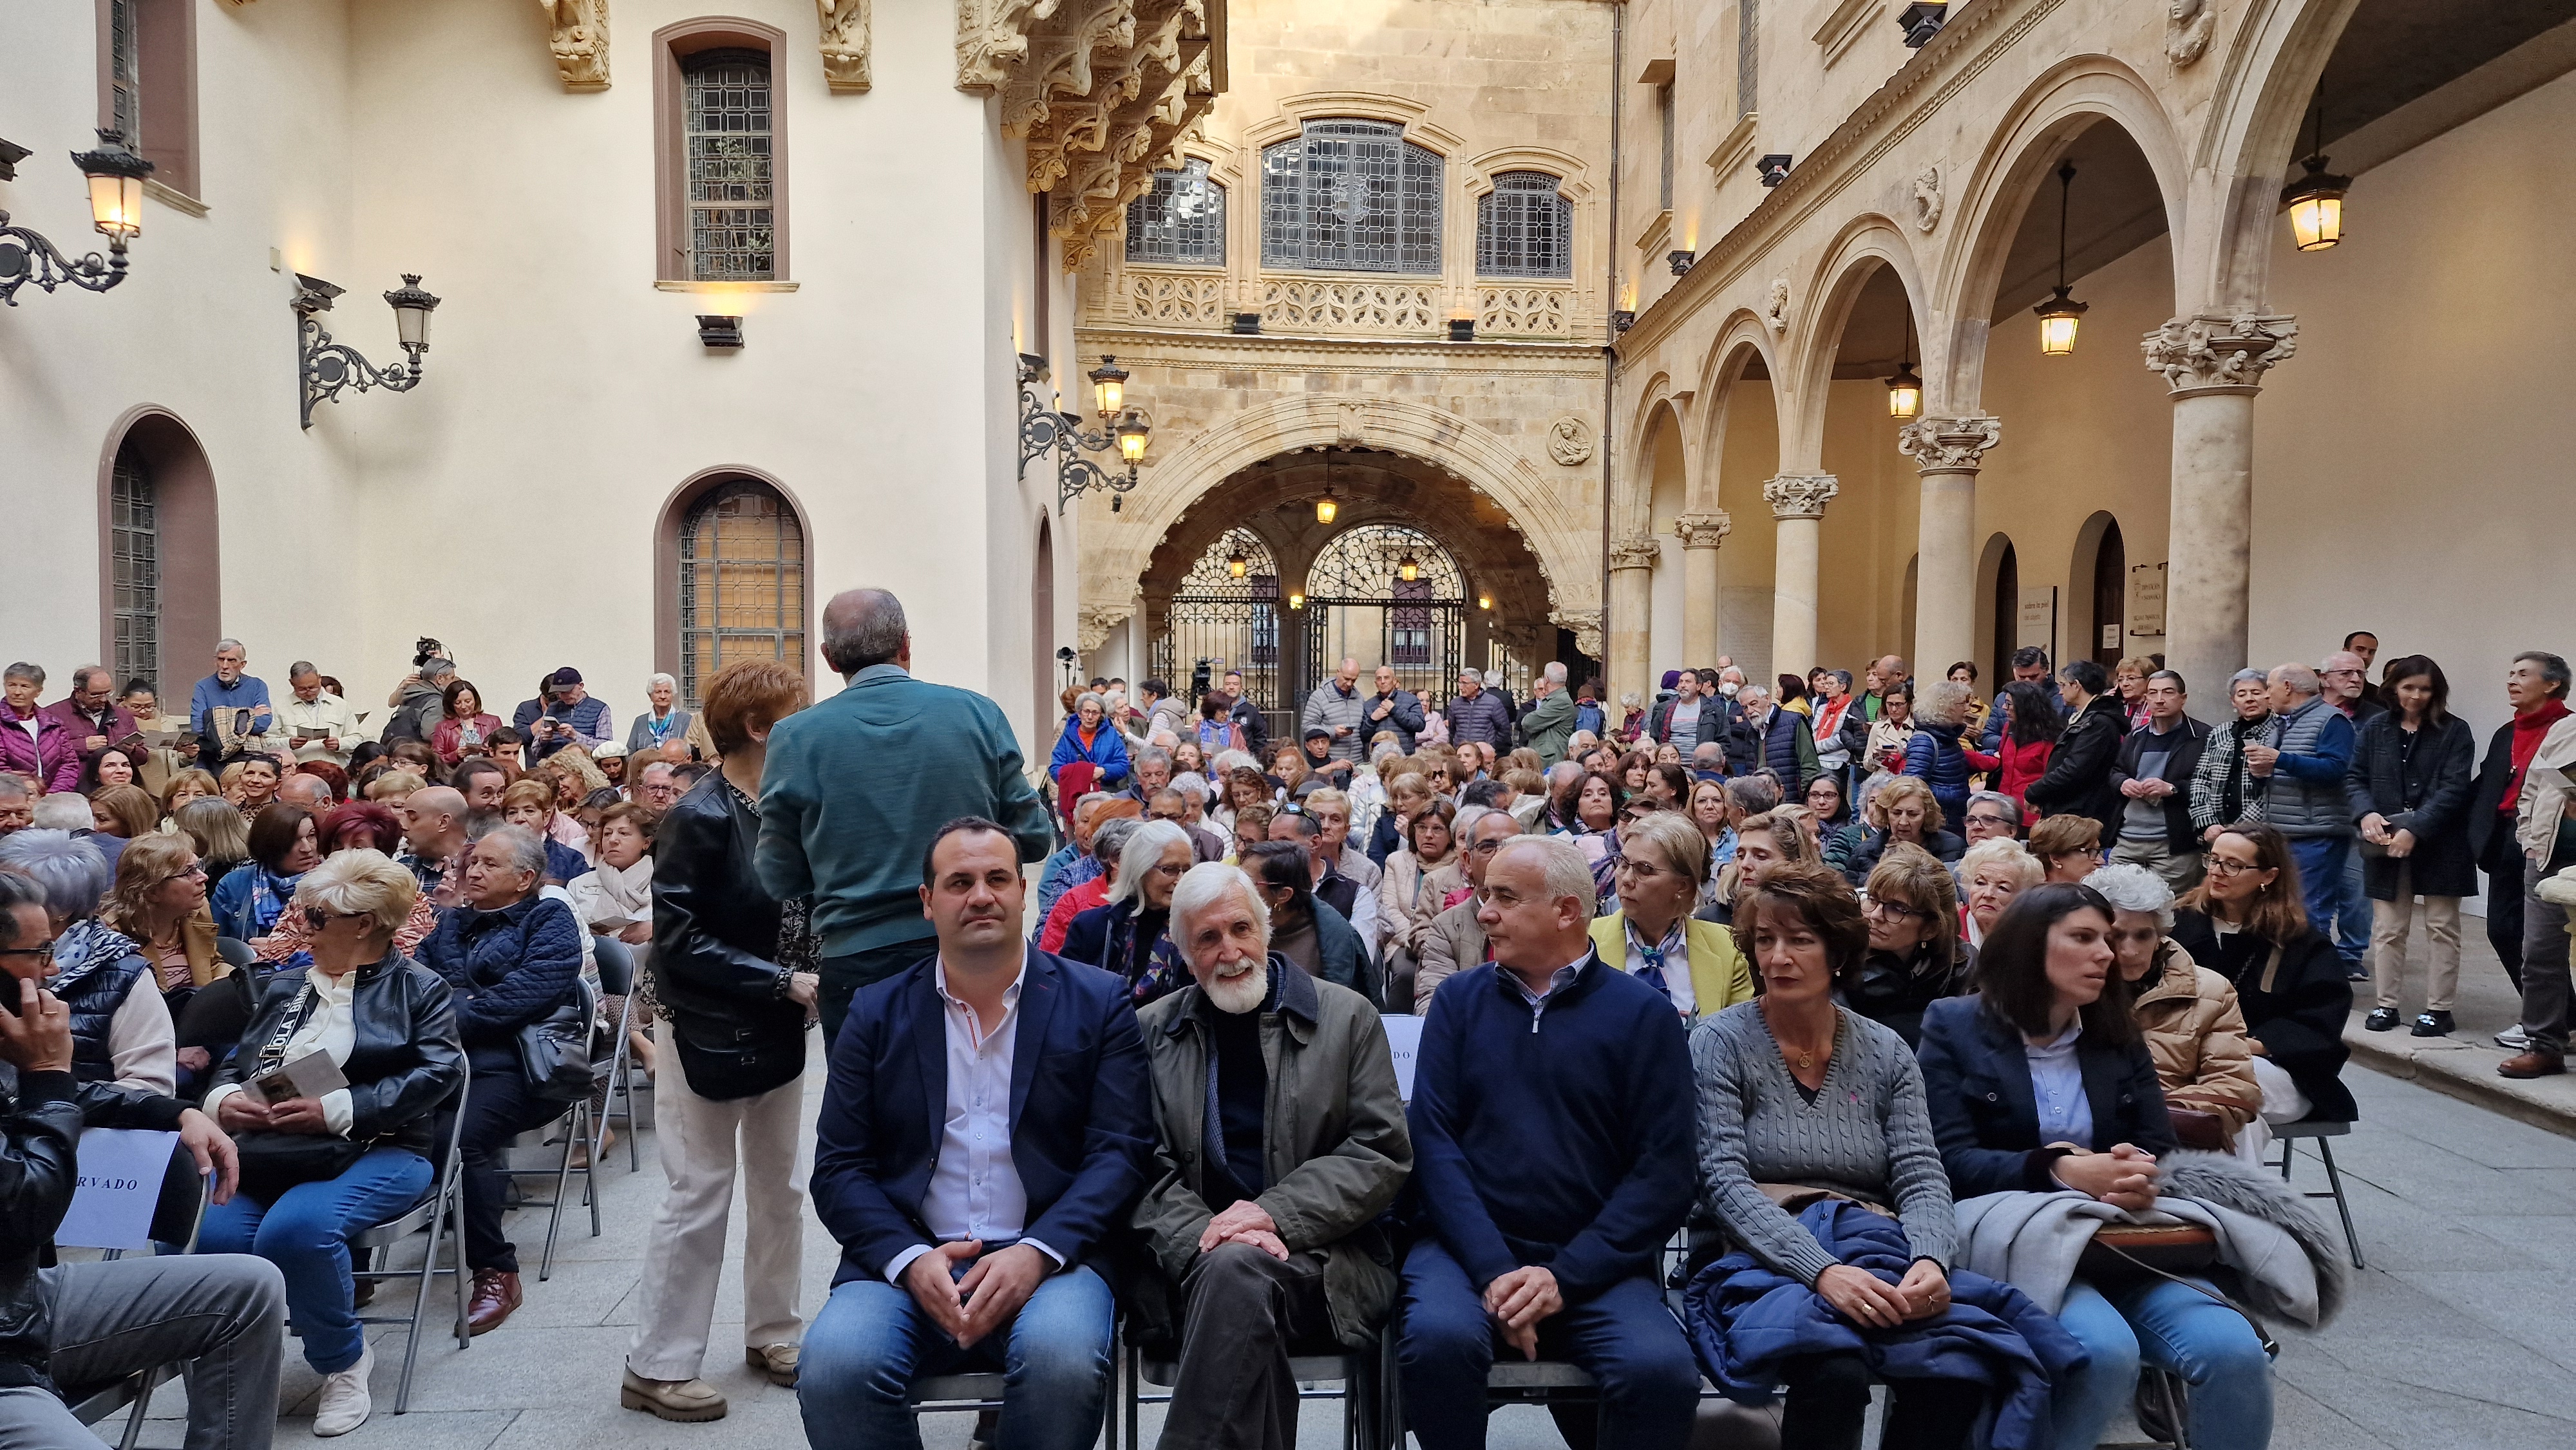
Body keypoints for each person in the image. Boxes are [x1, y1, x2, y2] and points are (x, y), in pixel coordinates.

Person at [798, 817, 1153, 1450]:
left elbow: (1119, 1154)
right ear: (927, 901)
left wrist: (1036, 1250)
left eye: (996, 878)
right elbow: (839, 1167)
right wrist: (909, 1260)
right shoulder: (877, 1010)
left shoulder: (1098, 1002)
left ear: (1023, 891)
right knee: (834, 1367)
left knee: (1063, 1362)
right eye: (959, 881)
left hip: (1053, 1259)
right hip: (906, 1261)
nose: (980, 895)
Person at [1916, 883, 2273, 1450]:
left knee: (2234, 1351)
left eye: (2108, 940)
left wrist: (2134, 1170)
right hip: (2014, 1239)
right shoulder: (1954, 1024)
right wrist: (2059, 1170)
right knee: (2102, 1353)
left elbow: (2160, 1147)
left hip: (2121, 1240)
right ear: (2031, 947)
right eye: (2084, 938)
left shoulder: (2115, 1031)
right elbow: (1944, 1162)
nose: (2108, 954)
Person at [1397, 834, 1700, 1450]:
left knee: (1660, 1371)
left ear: (1566, 911)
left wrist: (1563, 1278)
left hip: (1595, 1261)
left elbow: (1664, 1173)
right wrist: (1496, 1272)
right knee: (1438, 1342)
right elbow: (1434, 1144)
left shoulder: (1644, 1016)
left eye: (1505, 898)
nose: (1483, 911)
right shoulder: (1458, 1001)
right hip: (1465, 1253)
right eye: (1485, 895)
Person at [1690, 860, 1989, 1450]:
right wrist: (1822, 1271)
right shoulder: (1718, 1042)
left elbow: (1921, 1174)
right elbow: (1722, 1183)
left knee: (1956, 1365)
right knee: (1834, 1368)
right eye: (1766, 940)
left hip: (1870, 1243)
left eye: (1800, 941)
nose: (1778, 958)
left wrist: (1929, 1258)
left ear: (1839, 953)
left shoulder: (1886, 1049)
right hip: (1755, 1252)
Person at [0, 871, 290, 1450]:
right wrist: (47, 1080)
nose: (52, 970)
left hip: (19, 1301)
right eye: (39, 954)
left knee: (248, 1286)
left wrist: (173, 1113)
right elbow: (25, 1215)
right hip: (10, 1348)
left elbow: (67, 1097)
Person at [1131, 862, 1411, 1450]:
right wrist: (1209, 1235)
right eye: (1207, 939)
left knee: (1236, 1275)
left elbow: (1379, 1151)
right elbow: (1135, 1163)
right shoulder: (1150, 1032)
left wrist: (1273, 1215)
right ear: (1184, 955)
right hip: (1186, 1267)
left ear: (1267, 930)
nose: (1230, 951)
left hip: (1329, 1264)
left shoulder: (1346, 1018)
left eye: (1240, 929)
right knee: (1236, 1277)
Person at [199, 849, 466, 1436]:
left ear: (363, 922)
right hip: (271, 1145)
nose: (299, 928)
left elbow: (439, 1074)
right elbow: (233, 1065)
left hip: (386, 1146)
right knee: (215, 1238)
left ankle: (342, 1362)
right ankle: (240, 1367)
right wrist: (226, 1102)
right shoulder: (286, 985)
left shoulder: (420, 989)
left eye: (315, 918)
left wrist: (339, 1110)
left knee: (296, 1231)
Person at [622, 658, 819, 1421]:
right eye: (795, 713)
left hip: (778, 1017)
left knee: (781, 1184)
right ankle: (656, 1363)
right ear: (762, 728)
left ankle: (774, 1330)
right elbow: (678, 936)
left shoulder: (790, 800)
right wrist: (780, 979)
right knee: (699, 1189)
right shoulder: (699, 813)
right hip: (701, 1022)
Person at [757, 588, 1053, 1040]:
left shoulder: (795, 737)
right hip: (975, 951)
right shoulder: (977, 714)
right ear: (906, 645)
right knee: (984, 1100)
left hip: (858, 962)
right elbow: (1033, 837)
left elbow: (778, 876)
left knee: (871, 1106)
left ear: (829, 658)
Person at [416, 825, 587, 1335]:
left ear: (525, 878)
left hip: (522, 1066)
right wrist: (459, 1010)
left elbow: (527, 995)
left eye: (490, 864)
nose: (473, 870)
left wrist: (456, 1010)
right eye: (473, 862)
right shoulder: (448, 923)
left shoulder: (548, 917)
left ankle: (496, 1270)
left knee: (461, 1140)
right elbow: (418, 986)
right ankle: (351, 1269)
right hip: (448, 1059)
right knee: (367, 1120)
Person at [2168, 825, 2358, 1124]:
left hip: (2271, 1066)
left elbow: (2320, 1021)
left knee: (2225, 1096)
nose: (2217, 872)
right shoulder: (2178, 925)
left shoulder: (2299, 941)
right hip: (2181, 1058)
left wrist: (2246, 1046)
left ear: (2268, 876)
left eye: (2233, 865)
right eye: (2214, 860)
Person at [2086, 862, 2264, 1156]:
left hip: (2177, 1140)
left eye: (2143, 935)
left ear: (2160, 936)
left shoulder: (2212, 991)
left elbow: (2234, 1088)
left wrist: (2153, 1116)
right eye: (2116, 935)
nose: (2130, 950)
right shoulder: (2068, 987)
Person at [2348, 655, 2476, 1037]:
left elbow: (2455, 788)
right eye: (2409, 687)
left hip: (2442, 842)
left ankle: (2439, 1009)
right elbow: (2355, 777)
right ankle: (2386, 1004)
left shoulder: (2455, 730)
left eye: (2424, 689)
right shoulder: (2375, 727)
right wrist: (2366, 814)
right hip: (2384, 838)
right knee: (2388, 928)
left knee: (2441, 926)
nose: (2416, 695)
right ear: (2394, 688)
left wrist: (2416, 828)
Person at [0, 831, 176, 1093]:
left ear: (63, 910)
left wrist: (50, 1087)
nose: (7, 895)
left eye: (20, 891)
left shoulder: (121, 972)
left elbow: (151, 1087)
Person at [2465, 652, 2571, 1056]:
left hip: (2549, 841)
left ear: (2552, 684)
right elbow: (2488, 785)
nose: (2512, 680)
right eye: (2510, 673)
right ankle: (2558, 1018)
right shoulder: (2507, 732)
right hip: (2506, 839)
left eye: (2523, 674)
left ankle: (2550, 1023)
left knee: (2543, 940)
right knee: (2504, 930)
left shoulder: (2568, 729)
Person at [2242, 664, 2360, 970]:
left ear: (2288, 687)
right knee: (2286, 909)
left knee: (2312, 912)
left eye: (2269, 686)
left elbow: (2338, 770)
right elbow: (2283, 772)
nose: (2266, 693)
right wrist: (2261, 773)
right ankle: (2290, 973)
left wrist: (2281, 759)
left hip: (2317, 833)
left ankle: (2316, 978)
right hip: (2284, 830)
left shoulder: (2332, 721)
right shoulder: (2283, 724)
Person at [1585, 809, 1754, 1022]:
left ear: (1683, 886)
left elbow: (1735, 1038)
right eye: (1623, 863)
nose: (1626, 878)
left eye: (1644, 870)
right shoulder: (1584, 942)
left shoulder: (1727, 949)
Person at [1059, 820, 1195, 1004]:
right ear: (1140, 868)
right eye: (1169, 870)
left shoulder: (1194, 931)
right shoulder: (1094, 928)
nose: (1181, 879)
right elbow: (1066, 996)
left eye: (1186, 870)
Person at [1851, 844, 1969, 1047]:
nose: (1876, 916)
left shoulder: (1961, 971)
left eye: (1897, 909)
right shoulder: (1838, 965)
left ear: (1930, 929)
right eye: (1872, 899)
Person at [2106, 670, 2210, 892]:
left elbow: (2213, 787)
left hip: (2173, 843)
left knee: (2169, 911)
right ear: (2146, 699)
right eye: (2153, 693)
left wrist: (2172, 789)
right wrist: (2123, 782)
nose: (2159, 699)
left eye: (2168, 692)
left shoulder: (2202, 737)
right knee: (2116, 901)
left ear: (2183, 698)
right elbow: (2115, 771)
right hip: (2128, 838)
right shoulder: (2137, 735)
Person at [1413, 809, 1522, 1011]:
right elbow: (1433, 1001)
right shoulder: (1446, 927)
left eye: (1511, 845)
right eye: (1488, 847)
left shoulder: (1548, 918)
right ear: (1468, 860)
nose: (1499, 855)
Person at [1242, 840, 1374, 997]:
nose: (1237, 886)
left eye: (1248, 882)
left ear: (1283, 895)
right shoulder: (1231, 921)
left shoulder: (1331, 938)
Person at [2023, 660, 2125, 839]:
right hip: (2069, 807)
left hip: (2081, 813)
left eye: (2064, 685)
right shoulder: (2083, 718)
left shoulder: (2099, 724)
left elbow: (2074, 769)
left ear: (2076, 686)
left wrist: (2034, 792)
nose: (2060, 691)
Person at [209, 804, 323, 942]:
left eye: (311, 836)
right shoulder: (234, 884)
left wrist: (277, 949)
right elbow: (215, 946)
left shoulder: (333, 883)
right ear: (270, 845)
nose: (307, 848)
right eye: (294, 840)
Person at [2188, 668, 2274, 841]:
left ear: (2268, 696)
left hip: (2259, 829)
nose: (2249, 699)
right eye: (2241, 694)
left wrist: (2240, 829)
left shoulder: (2278, 732)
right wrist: (2207, 823)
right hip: (2216, 828)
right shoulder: (2220, 732)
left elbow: (2270, 787)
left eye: (2256, 692)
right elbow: (2201, 779)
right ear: (2233, 701)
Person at [1379, 795, 1461, 964]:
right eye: (1422, 828)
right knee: (1405, 973)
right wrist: (1417, 940)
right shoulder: (1396, 861)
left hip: (1450, 947)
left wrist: (1438, 947)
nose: (1428, 835)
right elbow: (1390, 911)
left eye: (1437, 829)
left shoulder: (1460, 866)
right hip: (1404, 943)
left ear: (1451, 834)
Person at [1841, 775, 1964, 885]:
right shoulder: (1864, 852)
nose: (1903, 822)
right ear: (1886, 813)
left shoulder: (1954, 848)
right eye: (1896, 813)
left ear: (1927, 815)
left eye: (1913, 814)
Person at [1964, 679, 2061, 811]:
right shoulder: (2009, 728)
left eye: (2009, 704)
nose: (2004, 708)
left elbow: (2051, 779)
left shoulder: (2049, 739)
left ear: (2025, 707)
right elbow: (2001, 763)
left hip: (2031, 811)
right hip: (2004, 808)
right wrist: (1960, 754)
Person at [38, 664, 136, 787]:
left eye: (107, 693)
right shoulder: (52, 715)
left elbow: (143, 756)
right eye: (96, 695)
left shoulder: (123, 715)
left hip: (117, 788)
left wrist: (133, 750)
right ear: (78, 691)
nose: (103, 699)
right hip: (73, 786)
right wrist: (82, 746)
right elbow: (41, 752)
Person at [189, 641, 284, 767]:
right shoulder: (203, 686)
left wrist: (219, 720)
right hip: (211, 760)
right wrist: (250, 714)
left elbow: (263, 723)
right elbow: (199, 727)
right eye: (221, 660)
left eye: (232, 660)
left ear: (242, 664)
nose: (225, 666)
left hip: (247, 760)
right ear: (215, 661)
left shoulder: (257, 686)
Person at [1897, 680, 1974, 826]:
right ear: (1945, 707)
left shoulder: (1949, 737)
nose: (1967, 708)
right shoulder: (1925, 741)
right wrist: (1950, 797)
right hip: (1938, 821)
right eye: (1962, 704)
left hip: (1953, 818)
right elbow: (1911, 786)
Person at [0, 664, 79, 795]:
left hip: (51, 799)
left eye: (25, 686)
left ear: (38, 691)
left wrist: (53, 794)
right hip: (11, 798)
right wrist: (29, 794)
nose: (17, 692)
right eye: (12, 685)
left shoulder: (53, 724)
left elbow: (69, 764)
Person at [1956, 837, 2041, 950]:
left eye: (2003, 888)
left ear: (2022, 898)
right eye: (1980, 883)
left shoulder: (2033, 940)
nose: (1988, 894)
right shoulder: (1947, 931)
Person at [1734, 683, 1821, 793]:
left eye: (1754, 704)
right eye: (1745, 708)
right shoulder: (1752, 732)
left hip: (1791, 800)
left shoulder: (1793, 722)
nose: (1750, 711)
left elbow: (1810, 766)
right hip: (1762, 801)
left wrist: (1805, 799)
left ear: (1767, 699)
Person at [499, 779, 589, 883]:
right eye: (512, 813)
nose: (520, 818)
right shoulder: (491, 856)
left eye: (529, 811)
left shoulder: (571, 860)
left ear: (546, 816)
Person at [515, 667, 614, 760]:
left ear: (581, 686)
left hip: (585, 766)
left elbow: (606, 748)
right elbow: (535, 752)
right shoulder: (552, 709)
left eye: (568, 691)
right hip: (552, 765)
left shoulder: (600, 708)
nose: (563, 696)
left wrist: (576, 737)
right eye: (559, 692)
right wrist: (543, 740)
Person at [274, 663, 360, 767]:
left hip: (335, 769)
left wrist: (339, 744)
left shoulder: (341, 705)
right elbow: (267, 742)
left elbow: (357, 739)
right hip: (297, 769)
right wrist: (288, 743)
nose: (308, 692)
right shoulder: (279, 706)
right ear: (292, 683)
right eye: (302, 689)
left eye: (313, 687)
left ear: (319, 679)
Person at [1301, 658, 1369, 765]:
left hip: (1356, 763)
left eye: (1354, 680)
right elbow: (1307, 727)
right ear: (1338, 672)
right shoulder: (1320, 697)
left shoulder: (1359, 698)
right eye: (1346, 678)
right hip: (1330, 763)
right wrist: (1333, 732)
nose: (1349, 683)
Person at [430, 679, 502, 768]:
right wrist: (455, 755)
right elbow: (435, 758)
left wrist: (482, 749)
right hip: (457, 775)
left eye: (468, 701)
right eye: (458, 703)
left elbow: (503, 749)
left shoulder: (493, 722)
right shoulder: (443, 727)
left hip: (489, 771)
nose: (463, 707)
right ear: (451, 704)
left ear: (475, 700)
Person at [1359, 664, 1427, 756]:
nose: (1383, 682)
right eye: (1379, 679)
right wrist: (1372, 720)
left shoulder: (1410, 699)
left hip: (1405, 755)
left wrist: (1395, 710)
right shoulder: (1369, 705)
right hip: (1379, 757)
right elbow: (1364, 736)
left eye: (1386, 678)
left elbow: (1420, 725)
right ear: (1376, 683)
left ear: (1394, 681)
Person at [1520, 662, 1578, 768]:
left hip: (1551, 760)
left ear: (1546, 679)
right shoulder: (1555, 698)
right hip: (1547, 758)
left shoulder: (1561, 701)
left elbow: (1527, 722)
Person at [1809, 670, 1860, 787]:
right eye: (1826, 684)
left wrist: (1815, 748)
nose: (1826, 687)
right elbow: (1813, 730)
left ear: (1843, 687)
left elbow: (1842, 738)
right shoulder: (1822, 708)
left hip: (1837, 760)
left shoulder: (1851, 708)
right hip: (1816, 757)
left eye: (1830, 684)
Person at [627, 672, 696, 755]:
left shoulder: (685, 719)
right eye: (658, 692)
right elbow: (630, 753)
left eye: (667, 692)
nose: (663, 696)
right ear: (650, 696)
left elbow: (691, 752)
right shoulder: (640, 721)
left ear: (673, 695)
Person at [1444, 667, 1511, 750]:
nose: (1461, 687)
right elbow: (1452, 730)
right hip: (1461, 752)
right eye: (1459, 683)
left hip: (1483, 754)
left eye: (1465, 683)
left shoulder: (1493, 703)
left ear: (1476, 685)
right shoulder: (1455, 704)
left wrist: (1491, 746)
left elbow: (1504, 729)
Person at [2027, 814, 2102, 884]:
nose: (2101, 861)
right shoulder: (2028, 896)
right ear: (2056, 860)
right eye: (2090, 851)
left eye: (2097, 852)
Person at [1859, 686, 1916, 778]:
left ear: (1909, 704)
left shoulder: (1918, 727)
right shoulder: (1878, 727)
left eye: (1899, 704)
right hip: (1883, 780)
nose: (1893, 709)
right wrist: (1875, 757)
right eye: (1890, 704)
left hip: (1908, 779)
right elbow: (1867, 765)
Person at [1222, 670, 1271, 760]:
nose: (1231, 687)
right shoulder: (1215, 709)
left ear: (1241, 687)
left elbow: (1260, 740)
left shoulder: (1252, 712)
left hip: (1244, 761)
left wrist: (1255, 761)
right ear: (1223, 686)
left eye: (1235, 684)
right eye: (1228, 684)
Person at [88, 782, 159, 842]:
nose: (92, 826)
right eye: (89, 817)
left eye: (102, 819)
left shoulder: (160, 855)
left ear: (129, 825)